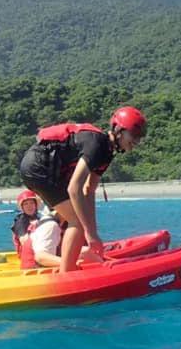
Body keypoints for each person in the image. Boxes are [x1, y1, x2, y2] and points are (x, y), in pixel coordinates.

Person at [19, 105, 147, 272]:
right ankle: (67, 272)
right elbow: (75, 188)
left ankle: (67, 266)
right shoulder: (97, 144)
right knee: (77, 221)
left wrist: (93, 232)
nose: (136, 141)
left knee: (77, 220)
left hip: (47, 171)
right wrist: (89, 233)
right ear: (119, 131)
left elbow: (89, 190)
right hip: (38, 167)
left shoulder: (107, 153)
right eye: (134, 135)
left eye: (139, 137)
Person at [10, 189, 40, 258]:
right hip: (28, 257)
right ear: (22, 207)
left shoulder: (40, 218)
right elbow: (24, 241)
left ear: (36, 205)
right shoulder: (20, 221)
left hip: (40, 253)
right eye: (26, 204)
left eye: (32, 203)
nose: (29, 206)